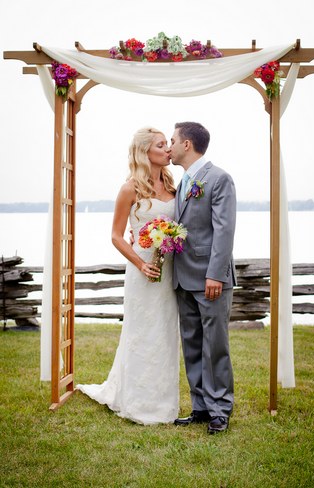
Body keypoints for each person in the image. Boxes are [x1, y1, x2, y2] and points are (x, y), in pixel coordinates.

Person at [77, 127, 180, 425]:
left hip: (169, 269)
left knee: (165, 334)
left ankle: (165, 403)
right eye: (161, 145)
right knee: (142, 333)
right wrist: (140, 263)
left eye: (167, 144)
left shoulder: (174, 187)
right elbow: (116, 236)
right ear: (145, 152)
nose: (167, 149)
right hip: (142, 270)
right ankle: (138, 403)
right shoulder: (130, 188)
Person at [170, 121, 237, 434]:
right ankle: (200, 406)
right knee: (192, 344)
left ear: (186, 144)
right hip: (182, 278)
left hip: (210, 280)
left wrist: (216, 275)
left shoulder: (219, 178)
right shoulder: (183, 181)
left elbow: (224, 230)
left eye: (171, 141)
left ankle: (220, 409)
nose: (168, 147)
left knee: (215, 346)